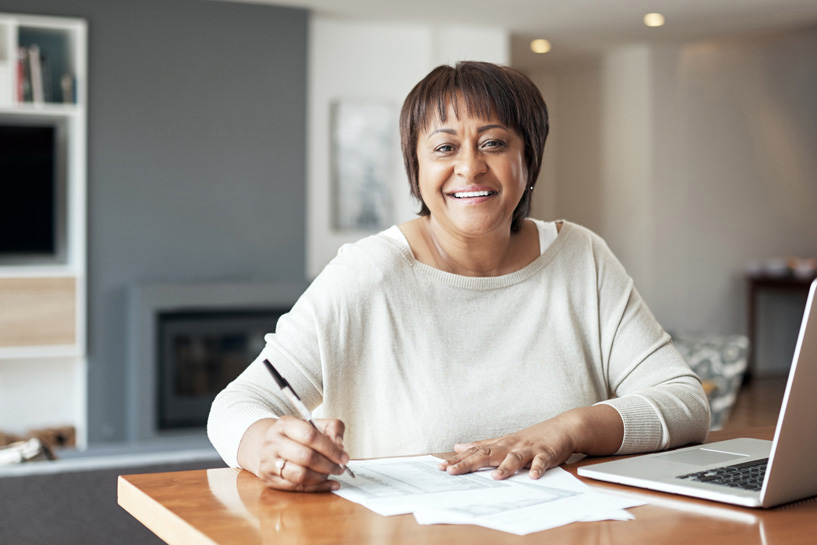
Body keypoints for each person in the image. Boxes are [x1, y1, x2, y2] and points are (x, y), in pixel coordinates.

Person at [207, 61, 710, 493]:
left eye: (493, 142)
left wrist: (567, 429)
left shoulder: (582, 257)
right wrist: (266, 447)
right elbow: (238, 403)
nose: (470, 167)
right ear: (417, 170)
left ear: (528, 159)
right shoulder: (368, 273)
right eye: (444, 148)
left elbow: (686, 403)